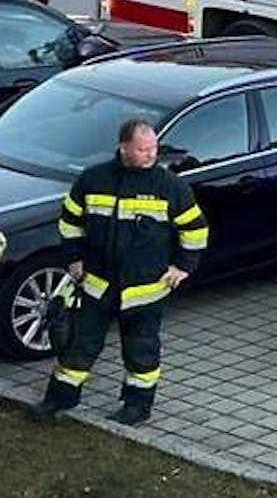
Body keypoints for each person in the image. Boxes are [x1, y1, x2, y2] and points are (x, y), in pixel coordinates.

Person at [29, 118, 209, 426]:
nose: (151, 155)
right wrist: (73, 259)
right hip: (97, 284)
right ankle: (59, 398)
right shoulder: (93, 179)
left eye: (153, 148)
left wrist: (183, 267)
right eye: (142, 149)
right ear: (124, 147)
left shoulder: (170, 186)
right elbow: (70, 223)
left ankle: (137, 406)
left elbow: (195, 229)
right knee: (79, 344)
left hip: (145, 290)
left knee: (141, 351)